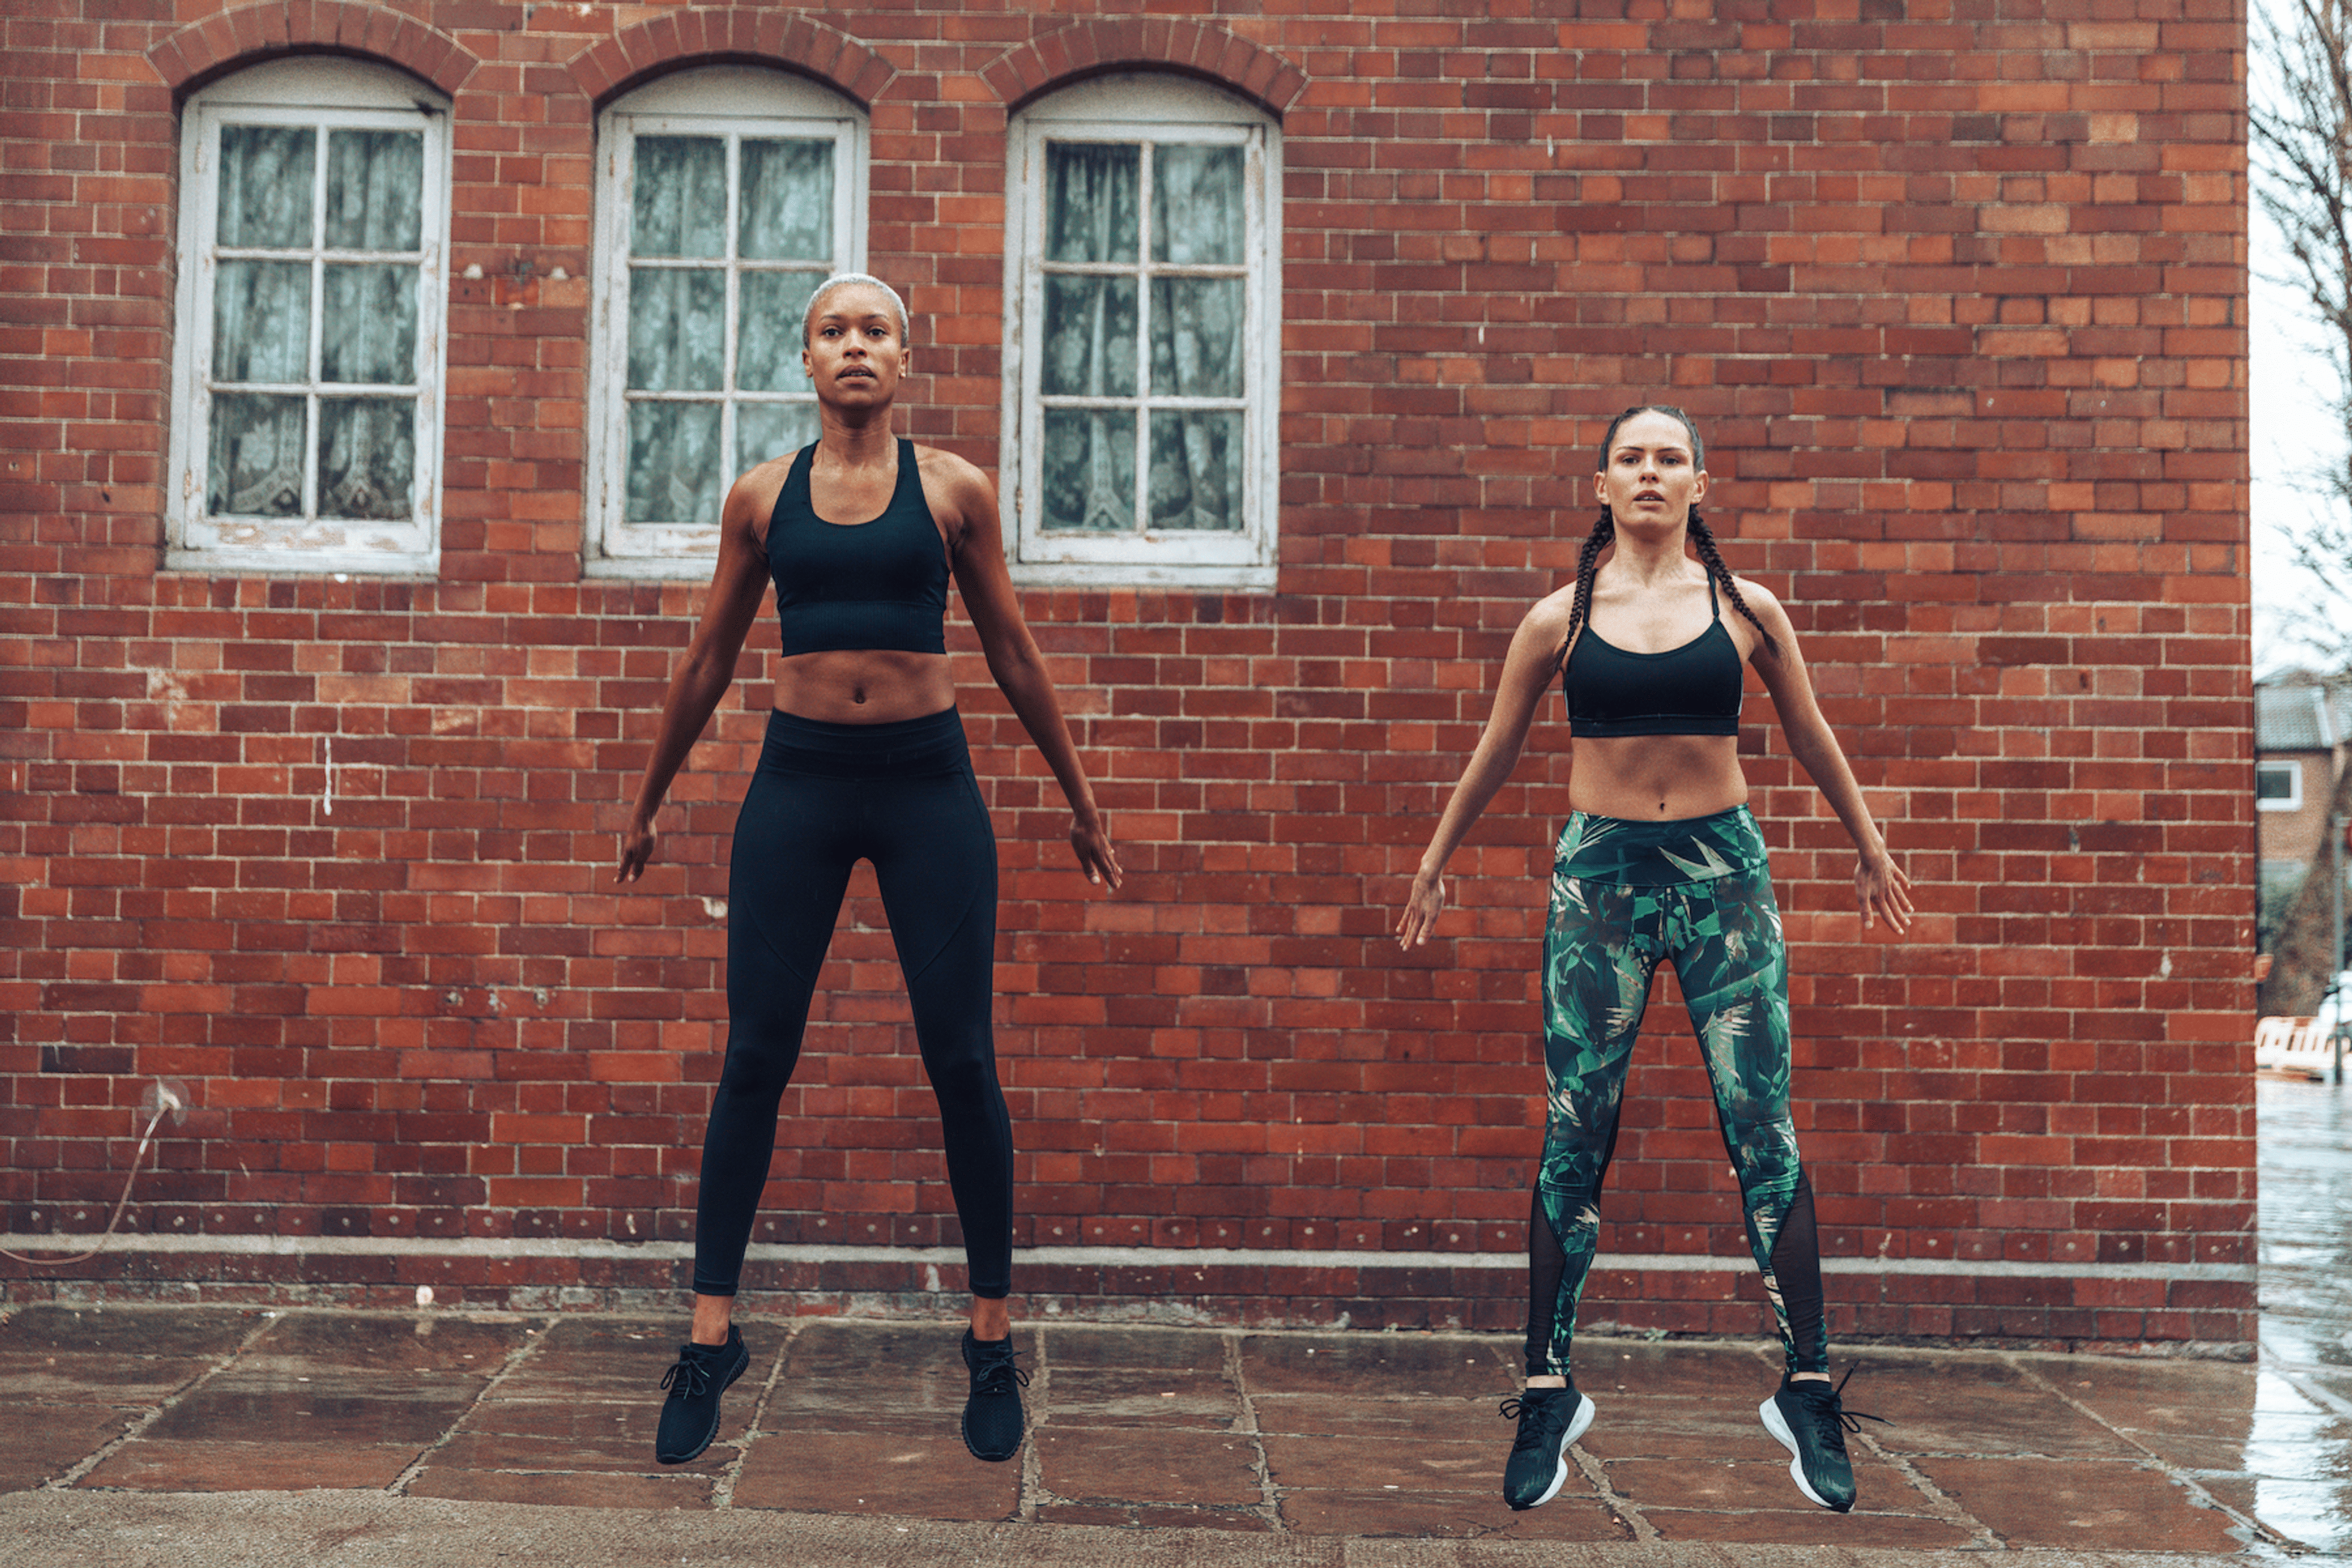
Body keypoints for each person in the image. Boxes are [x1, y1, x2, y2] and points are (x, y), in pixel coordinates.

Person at [617, 273, 1122, 1468]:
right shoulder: (762, 497)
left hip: (924, 788)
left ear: (905, 356)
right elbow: (706, 658)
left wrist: (1080, 794)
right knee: (755, 1053)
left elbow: (1010, 644)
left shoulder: (953, 491)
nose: (856, 347)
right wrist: (645, 797)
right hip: (797, 787)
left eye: (875, 331)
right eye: (834, 331)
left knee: (961, 1056)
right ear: (807, 359)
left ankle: (991, 1336)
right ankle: (710, 1333)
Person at [1395, 405, 1912, 1514]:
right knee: (1576, 1126)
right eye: (1631, 457)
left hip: (1724, 878)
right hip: (1600, 882)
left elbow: (1812, 730)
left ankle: (1808, 1388)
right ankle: (1547, 1390)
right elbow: (1496, 746)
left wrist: (1868, 844)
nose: (1648, 471)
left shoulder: (1746, 611)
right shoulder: (1556, 620)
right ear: (1600, 484)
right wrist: (1437, 859)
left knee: (1762, 1126)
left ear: (1699, 485)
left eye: (1668, 457)